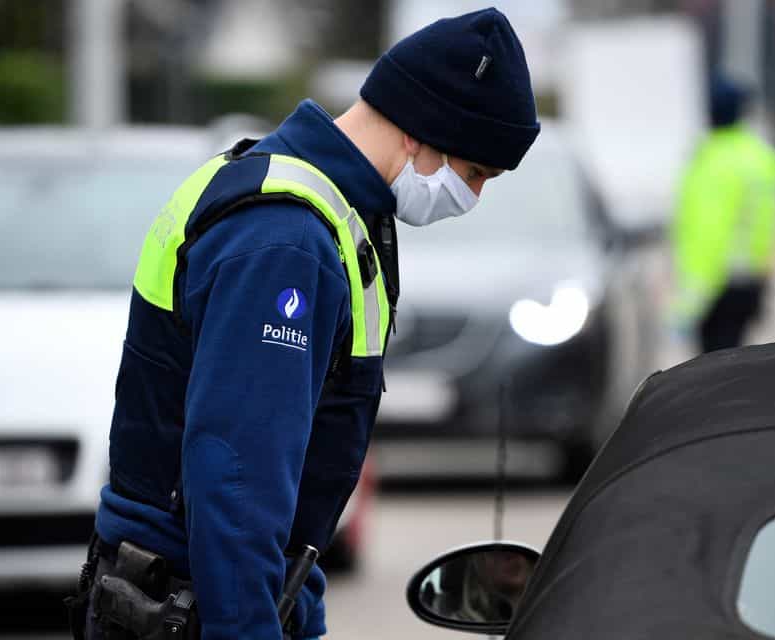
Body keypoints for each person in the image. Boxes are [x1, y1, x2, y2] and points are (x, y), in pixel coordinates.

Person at [70, 8, 540, 640]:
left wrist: (300, 601)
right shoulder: (286, 240)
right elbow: (236, 474)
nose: (472, 196)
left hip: (211, 589)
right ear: (421, 129)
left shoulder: (314, 202)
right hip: (188, 601)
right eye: (475, 172)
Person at [669, 76, 775, 354]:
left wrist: (690, 301)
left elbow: (708, 234)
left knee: (713, 374)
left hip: (714, 286)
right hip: (749, 281)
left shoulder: (707, 161)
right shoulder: (763, 159)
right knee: (736, 363)